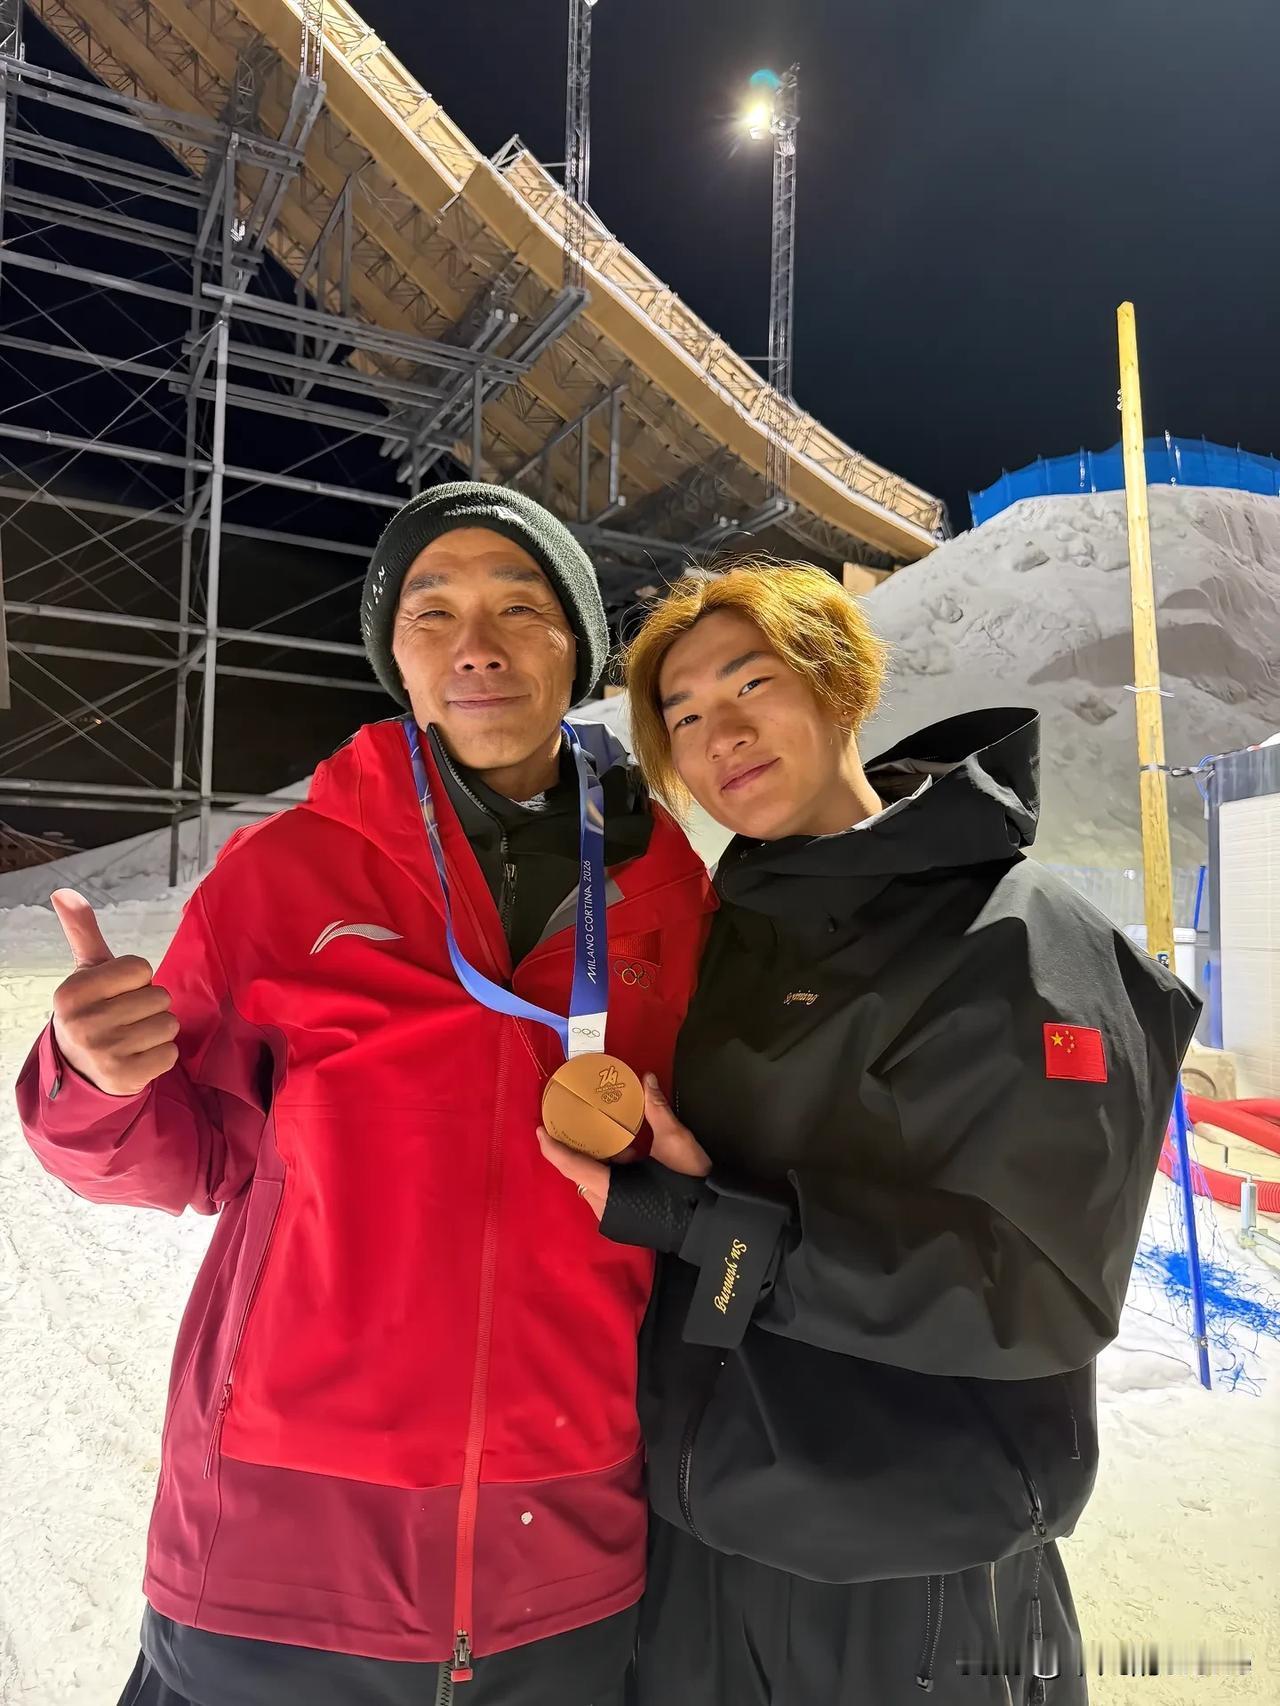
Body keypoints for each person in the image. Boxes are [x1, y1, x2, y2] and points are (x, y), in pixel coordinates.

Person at [16, 482, 713, 1706]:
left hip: (563, 1544)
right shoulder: (285, 871)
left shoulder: (668, 891)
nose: (475, 645)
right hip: (283, 1547)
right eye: (431, 612)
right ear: (397, 655)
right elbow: (189, 1156)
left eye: (519, 607)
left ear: (578, 646)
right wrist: (93, 1078)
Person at [538, 562, 1200, 1705]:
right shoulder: (729, 938)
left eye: (751, 684)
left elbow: (1031, 1289)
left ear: (840, 685)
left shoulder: (1017, 935)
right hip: (695, 1545)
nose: (719, 734)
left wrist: (707, 1225)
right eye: (682, 716)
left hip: (910, 1569)